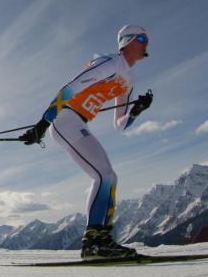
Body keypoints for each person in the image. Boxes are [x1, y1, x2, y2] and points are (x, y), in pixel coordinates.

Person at [19, 25, 153, 259]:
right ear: (127, 41)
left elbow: (119, 124)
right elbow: (69, 89)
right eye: (141, 38)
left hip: (79, 124)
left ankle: (99, 240)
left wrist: (136, 111)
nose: (146, 42)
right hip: (65, 120)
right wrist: (43, 124)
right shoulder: (109, 63)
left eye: (146, 39)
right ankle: (94, 243)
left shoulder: (128, 80)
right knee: (104, 175)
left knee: (108, 176)